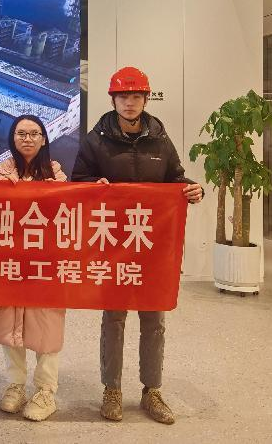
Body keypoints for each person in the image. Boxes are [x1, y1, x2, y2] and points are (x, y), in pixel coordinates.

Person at [71, 66, 203, 425]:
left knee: (154, 317)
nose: (129, 102)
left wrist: (192, 189)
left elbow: (176, 179)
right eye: (123, 96)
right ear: (113, 100)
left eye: (135, 96)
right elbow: (78, 182)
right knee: (113, 317)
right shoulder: (96, 141)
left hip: (152, 245)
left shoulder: (160, 139)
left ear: (145, 99)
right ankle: (112, 389)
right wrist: (92, 185)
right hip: (112, 242)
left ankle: (152, 391)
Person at [0, 114, 67, 422]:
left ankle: (46, 391)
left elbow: (66, 214)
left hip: (44, 262)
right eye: (21, 133)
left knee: (47, 325)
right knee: (9, 322)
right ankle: (15, 385)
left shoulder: (56, 174)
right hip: (9, 260)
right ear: (12, 138)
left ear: (44, 139)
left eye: (34, 133)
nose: (28, 138)